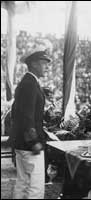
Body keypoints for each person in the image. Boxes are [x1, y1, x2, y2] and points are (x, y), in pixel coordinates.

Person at [11, 50, 51, 199]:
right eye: (44, 63)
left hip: (21, 142)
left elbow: (18, 112)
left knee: (23, 183)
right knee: (35, 186)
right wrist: (33, 141)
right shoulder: (30, 84)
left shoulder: (28, 82)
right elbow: (27, 117)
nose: (47, 67)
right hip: (29, 144)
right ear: (33, 64)